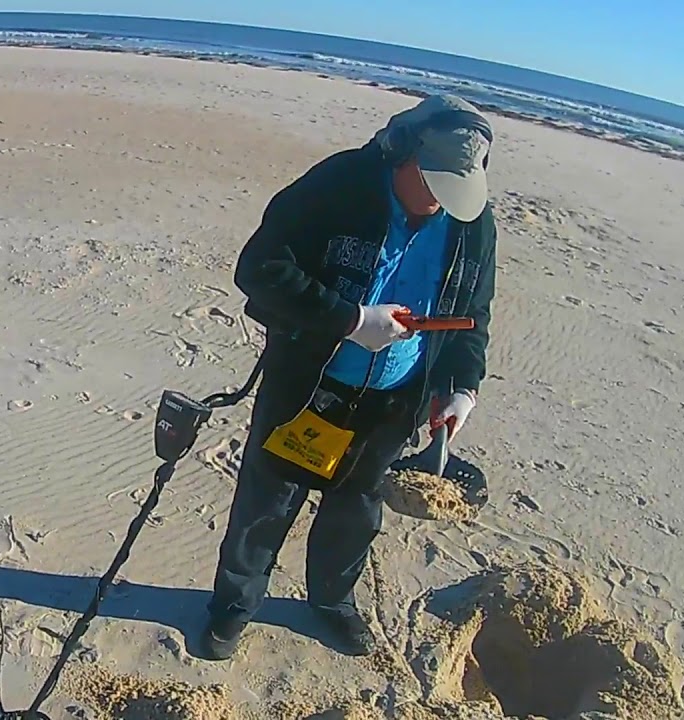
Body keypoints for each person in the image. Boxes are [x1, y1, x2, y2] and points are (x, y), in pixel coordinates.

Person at [200, 94, 497, 659]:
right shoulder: (338, 184)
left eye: (456, 189)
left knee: (357, 508)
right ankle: (233, 606)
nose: (441, 200)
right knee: (268, 501)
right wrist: (352, 320)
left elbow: (473, 313)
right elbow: (260, 268)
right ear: (401, 153)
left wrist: (461, 387)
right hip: (310, 385)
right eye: (432, 182)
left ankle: (333, 603)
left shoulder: (473, 222)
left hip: (395, 400)